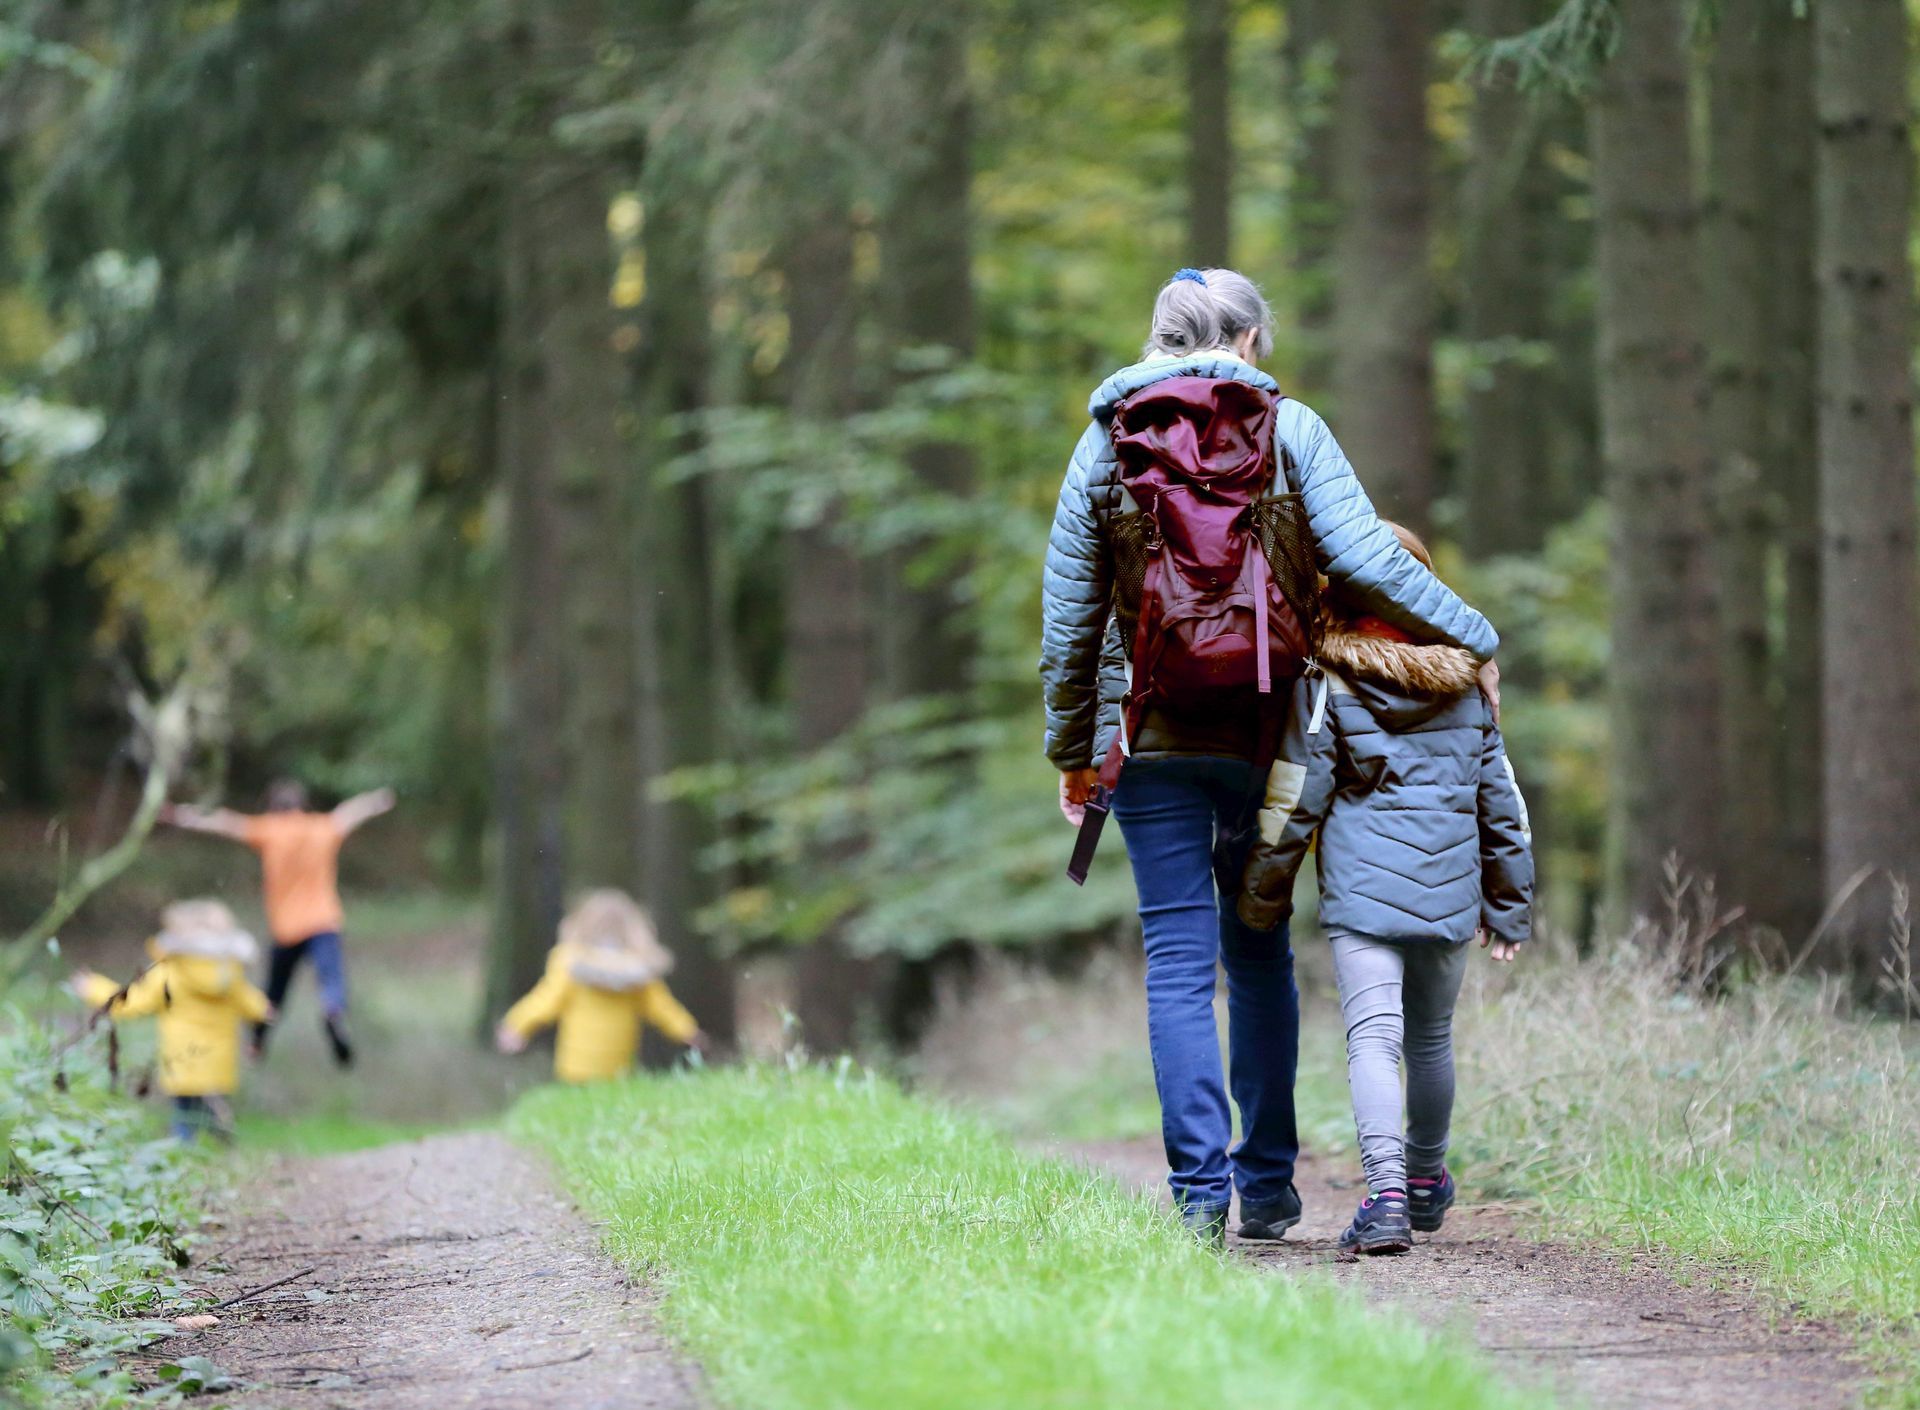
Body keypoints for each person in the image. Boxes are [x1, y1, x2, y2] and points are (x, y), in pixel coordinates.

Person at [1040, 267, 1500, 1246]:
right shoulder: (1292, 428)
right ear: (1249, 339)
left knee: (1175, 958)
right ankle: (1271, 1186)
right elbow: (1373, 560)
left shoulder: (1103, 443)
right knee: (1257, 952)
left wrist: (1074, 751)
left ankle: (1200, 1197)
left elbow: (1069, 622)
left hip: (1151, 732)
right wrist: (1474, 640)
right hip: (1273, 729)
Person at [1237, 524, 1533, 1255]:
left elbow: (1295, 797)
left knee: (1375, 1040)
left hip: (1365, 899)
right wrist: (1510, 904)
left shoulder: (1329, 683)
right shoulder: (1468, 683)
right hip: (1450, 891)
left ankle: (1388, 1197)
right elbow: (1502, 803)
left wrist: (1262, 896)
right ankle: (1428, 1181)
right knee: (1431, 1039)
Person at [159, 779, 395, 1067]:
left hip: (287, 929)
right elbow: (349, 813)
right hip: (323, 922)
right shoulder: (321, 827)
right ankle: (333, 1013)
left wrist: (180, 814)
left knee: (274, 991)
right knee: (331, 978)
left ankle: (257, 1043)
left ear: (273, 807)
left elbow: (224, 822)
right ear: (302, 806)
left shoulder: (269, 830)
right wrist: (377, 800)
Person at [71, 899, 275, 1142]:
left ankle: (186, 1149)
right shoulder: (229, 974)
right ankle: (217, 1141)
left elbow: (131, 1001)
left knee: (184, 1115)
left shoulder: (171, 971)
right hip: (218, 1062)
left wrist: (93, 987)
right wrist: (265, 1010)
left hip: (183, 1060)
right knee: (208, 1110)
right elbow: (253, 1004)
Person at [494, 889, 710, 1082]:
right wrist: (688, 1031)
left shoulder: (569, 962)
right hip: (618, 1066)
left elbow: (545, 1000)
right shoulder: (638, 969)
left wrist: (516, 1025)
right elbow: (662, 1007)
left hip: (575, 1066)